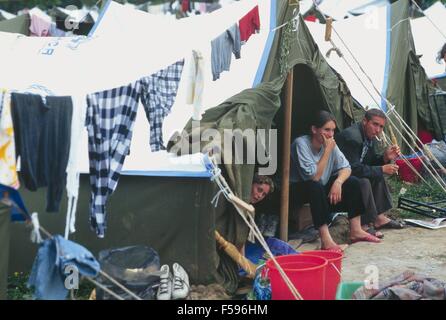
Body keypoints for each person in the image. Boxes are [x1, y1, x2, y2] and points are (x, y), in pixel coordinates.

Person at [290, 111, 380, 253]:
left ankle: (356, 230)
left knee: (353, 182)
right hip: (298, 190)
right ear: (314, 129)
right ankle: (326, 240)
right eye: (327, 130)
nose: (331, 134)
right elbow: (314, 176)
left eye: (332, 130)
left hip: (320, 187)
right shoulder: (301, 144)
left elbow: (346, 167)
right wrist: (327, 151)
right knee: (316, 186)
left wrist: (338, 182)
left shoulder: (331, 144)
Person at [336, 108, 405, 235]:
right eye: (375, 124)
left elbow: (369, 163)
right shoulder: (353, 138)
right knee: (363, 181)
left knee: (376, 175)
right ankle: (364, 223)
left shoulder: (368, 136)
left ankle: (379, 218)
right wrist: (381, 169)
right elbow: (353, 169)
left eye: (381, 126)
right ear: (364, 121)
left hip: (352, 173)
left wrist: (385, 158)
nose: (378, 130)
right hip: (338, 179)